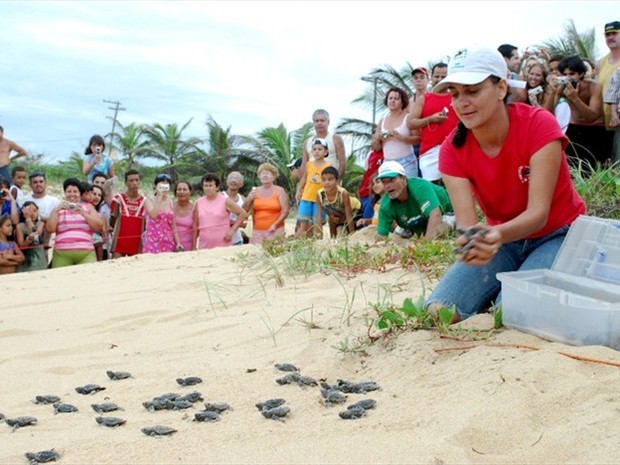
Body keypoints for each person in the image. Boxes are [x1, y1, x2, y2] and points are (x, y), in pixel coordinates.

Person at [424, 47, 586, 323]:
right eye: (454, 93)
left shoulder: (539, 125)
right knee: (439, 311)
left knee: (509, 314)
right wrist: (470, 243)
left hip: (559, 233)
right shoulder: (452, 149)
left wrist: (494, 236)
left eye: (472, 91)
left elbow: (539, 214)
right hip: (503, 238)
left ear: (501, 88)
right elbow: (467, 224)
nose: (461, 102)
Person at [407, 63, 460, 182]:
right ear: (431, 77)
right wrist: (431, 119)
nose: (440, 80)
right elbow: (410, 123)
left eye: (443, 76)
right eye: (437, 76)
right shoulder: (424, 98)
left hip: (456, 149)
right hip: (429, 153)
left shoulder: (458, 96)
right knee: (433, 191)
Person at [375, 160, 453, 240]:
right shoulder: (385, 204)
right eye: (384, 182)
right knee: (398, 234)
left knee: (438, 230)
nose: (387, 185)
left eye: (391, 180)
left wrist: (424, 247)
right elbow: (381, 235)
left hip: (449, 212)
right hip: (418, 222)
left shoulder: (419, 187)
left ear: (404, 179)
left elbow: (435, 214)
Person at [556, 55, 609, 170]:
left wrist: (575, 98)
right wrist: (554, 93)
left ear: (580, 74)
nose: (568, 78)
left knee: (594, 170)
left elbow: (592, 116)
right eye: (565, 75)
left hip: (595, 130)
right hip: (574, 128)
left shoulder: (594, 86)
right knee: (572, 168)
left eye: (571, 74)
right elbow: (548, 112)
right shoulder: (563, 87)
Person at [46, 178, 104, 268]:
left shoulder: (88, 207)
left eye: (75, 191)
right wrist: (56, 210)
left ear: (80, 194)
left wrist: (84, 214)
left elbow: (99, 227)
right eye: (69, 191)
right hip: (62, 254)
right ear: (65, 193)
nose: (72, 194)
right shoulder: (58, 209)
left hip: (86, 253)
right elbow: (50, 229)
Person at [192, 173, 247, 250]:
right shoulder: (198, 202)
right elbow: (195, 225)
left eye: (210, 185)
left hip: (223, 244)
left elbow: (243, 214)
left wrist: (232, 230)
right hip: (204, 245)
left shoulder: (225, 200)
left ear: (217, 187)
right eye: (205, 186)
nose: (208, 188)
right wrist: (194, 245)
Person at [376, 87, 419, 178]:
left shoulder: (408, 118)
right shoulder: (382, 121)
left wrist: (400, 137)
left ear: (402, 102)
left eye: (396, 99)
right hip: (387, 162)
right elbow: (376, 147)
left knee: (410, 188)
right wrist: (378, 139)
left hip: (407, 162)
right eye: (390, 98)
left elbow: (418, 139)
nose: (392, 101)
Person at [244, 163, 289, 245]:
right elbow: (245, 209)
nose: (265, 176)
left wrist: (275, 225)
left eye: (268, 173)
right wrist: (249, 198)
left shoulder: (279, 191)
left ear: (274, 176)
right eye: (262, 173)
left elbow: (285, 211)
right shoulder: (254, 191)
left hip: (275, 230)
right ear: (259, 176)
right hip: (257, 231)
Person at [296, 138, 331, 238]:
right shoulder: (309, 164)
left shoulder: (328, 166)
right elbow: (304, 178)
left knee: (317, 224)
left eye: (320, 149)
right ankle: (297, 244)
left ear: (326, 152)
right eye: (314, 149)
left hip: (320, 199)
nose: (316, 151)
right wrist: (299, 191)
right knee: (303, 223)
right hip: (306, 197)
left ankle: (318, 246)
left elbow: (330, 181)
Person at [597, 21, 620, 163]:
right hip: (601, 123)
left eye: (614, 33)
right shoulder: (600, 63)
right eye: (607, 34)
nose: (610, 37)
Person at [315, 166, 359, 239]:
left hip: (355, 211)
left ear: (337, 180)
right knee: (331, 218)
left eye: (330, 179)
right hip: (338, 214)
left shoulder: (343, 193)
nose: (327, 182)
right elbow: (318, 217)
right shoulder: (319, 194)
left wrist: (352, 235)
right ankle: (333, 239)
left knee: (351, 235)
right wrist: (319, 237)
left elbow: (349, 215)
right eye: (324, 180)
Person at [142, 174, 182, 254]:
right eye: (161, 185)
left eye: (166, 185)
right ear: (155, 186)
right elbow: (154, 214)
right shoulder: (149, 200)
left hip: (168, 241)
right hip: (152, 241)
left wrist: (178, 242)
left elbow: (173, 226)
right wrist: (159, 198)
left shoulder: (170, 202)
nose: (164, 188)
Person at [110, 169, 145, 258]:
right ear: (126, 183)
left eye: (137, 180)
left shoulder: (145, 201)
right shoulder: (118, 198)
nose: (134, 183)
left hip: (137, 244)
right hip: (119, 242)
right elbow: (112, 219)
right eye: (131, 180)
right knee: (115, 267)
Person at [301, 109, 346, 178]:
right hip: (311, 184)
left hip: (330, 183)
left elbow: (342, 162)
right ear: (313, 123)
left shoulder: (335, 138)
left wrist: (337, 181)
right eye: (317, 121)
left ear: (328, 122)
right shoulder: (307, 142)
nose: (319, 123)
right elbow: (304, 165)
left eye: (322, 120)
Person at [358, 135, 384, 222]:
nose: (374, 141)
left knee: (370, 215)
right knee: (365, 216)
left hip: (376, 193)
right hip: (365, 191)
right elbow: (366, 172)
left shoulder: (387, 154)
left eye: (377, 139)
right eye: (373, 139)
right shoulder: (370, 154)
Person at [16, 201, 47, 272]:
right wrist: (28, 240)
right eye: (29, 211)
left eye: (35, 211)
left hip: (39, 257)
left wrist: (28, 219)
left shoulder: (41, 223)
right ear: (23, 213)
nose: (32, 213)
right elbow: (21, 246)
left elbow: (36, 236)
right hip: (27, 258)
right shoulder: (20, 226)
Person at [223, 171, 247, 246]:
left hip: (237, 240)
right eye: (231, 178)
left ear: (241, 184)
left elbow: (245, 223)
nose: (233, 180)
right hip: (221, 239)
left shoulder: (242, 199)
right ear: (227, 182)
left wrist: (234, 224)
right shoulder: (220, 196)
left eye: (237, 179)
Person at [173, 180, 195, 251]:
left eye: (184, 189)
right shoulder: (170, 207)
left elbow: (196, 229)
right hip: (170, 245)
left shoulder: (195, 208)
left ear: (190, 192)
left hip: (189, 246)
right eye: (179, 189)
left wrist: (194, 247)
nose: (181, 192)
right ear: (175, 192)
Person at [91, 184, 111, 261]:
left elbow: (104, 235)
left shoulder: (102, 214)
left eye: (99, 195)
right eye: (94, 194)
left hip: (100, 249)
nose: (97, 197)